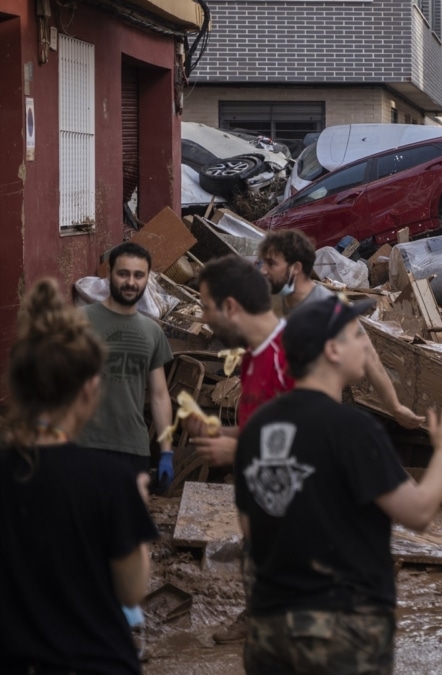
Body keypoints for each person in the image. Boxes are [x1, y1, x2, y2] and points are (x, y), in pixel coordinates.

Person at [236, 294, 442, 674]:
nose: (366, 343)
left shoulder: (258, 427)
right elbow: (417, 513)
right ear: (332, 350)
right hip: (341, 629)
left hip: (270, 627)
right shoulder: (353, 429)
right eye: (356, 335)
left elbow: (251, 526)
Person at [1, 279, 158, 674]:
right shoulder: (110, 480)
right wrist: (134, 507)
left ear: (17, 388)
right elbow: (132, 590)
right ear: (90, 389)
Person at [190, 254, 298, 644]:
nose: (203, 318)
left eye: (205, 306)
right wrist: (222, 432)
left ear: (231, 306)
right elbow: (264, 430)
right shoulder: (254, 355)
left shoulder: (291, 357)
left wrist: (235, 453)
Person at [257, 229, 423, 429]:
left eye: (271, 264)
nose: (264, 270)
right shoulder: (273, 302)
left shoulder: (326, 306)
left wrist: (394, 406)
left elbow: (368, 355)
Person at [77, 242, 176, 489]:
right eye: (123, 273)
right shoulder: (79, 322)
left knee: (126, 526)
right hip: (83, 446)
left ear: (147, 279)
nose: (131, 282)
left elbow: (160, 395)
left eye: (139, 275)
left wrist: (166, 451)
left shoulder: (153, 331)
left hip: (133, 449)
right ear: (109, 274)